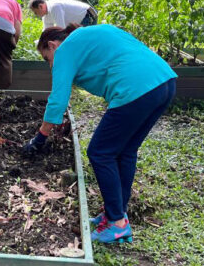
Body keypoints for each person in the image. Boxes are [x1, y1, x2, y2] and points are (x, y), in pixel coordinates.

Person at [22, 24, 177, 244]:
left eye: (48, 59)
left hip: (136, 87)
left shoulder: (65, 49)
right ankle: (117, 214)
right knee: (125, 150)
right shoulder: (89, 36)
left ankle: (116, 224)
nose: (51, 65)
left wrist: (40, 138)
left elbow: (58, 99)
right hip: (164, 82)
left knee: (99, 152)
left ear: (52, 45)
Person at [29, 0, 98, 29]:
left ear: (40, 6)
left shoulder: (54, 6)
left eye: (35, 12)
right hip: (77, 22)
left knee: (83, 44)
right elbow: (47, 33)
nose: (36, 15)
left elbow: (61, 29)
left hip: (88, 15)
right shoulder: (45, 16)